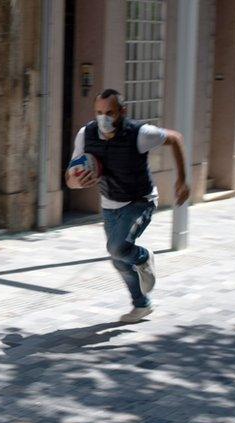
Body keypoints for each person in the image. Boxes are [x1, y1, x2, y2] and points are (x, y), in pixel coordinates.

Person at [66, 88, 190, 322]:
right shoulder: (86, 134)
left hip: (139, 201)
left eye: (109, 113)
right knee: (118, 259)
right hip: (109, 203)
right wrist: (76, 182)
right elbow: (69, 176)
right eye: (99, 112)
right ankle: (142, 305)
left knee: (117, 248)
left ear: (122, 112)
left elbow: (175, 138)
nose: (103, 118)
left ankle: (143, 257)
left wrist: (182, 179)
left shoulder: (140, 133)